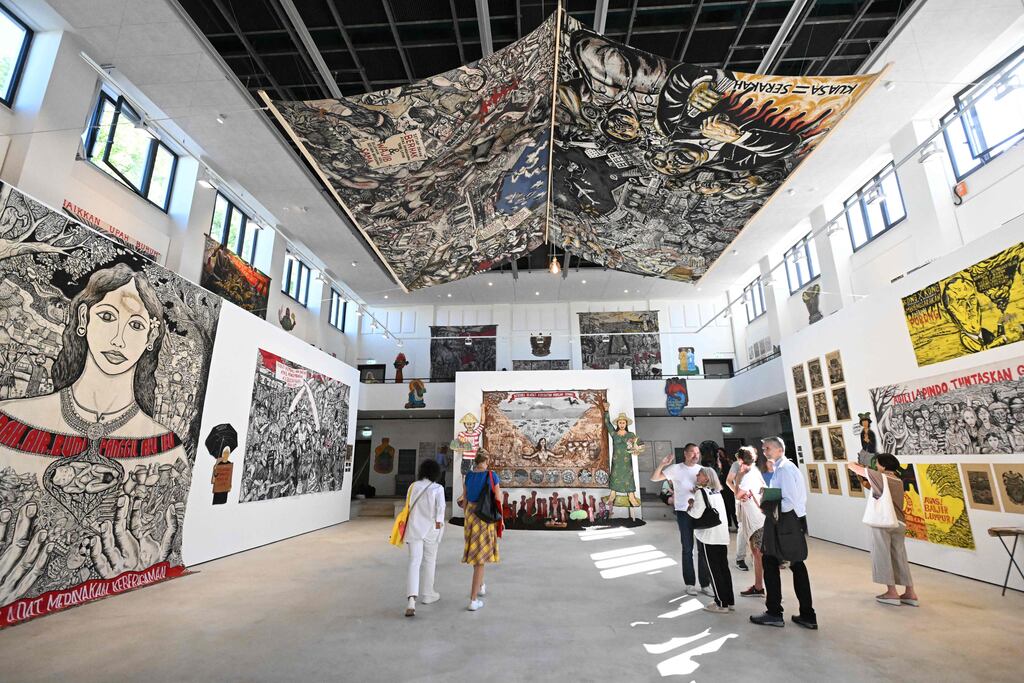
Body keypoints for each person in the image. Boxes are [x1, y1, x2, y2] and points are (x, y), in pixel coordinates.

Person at [750, 436, 817, 630]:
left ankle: (775, 613)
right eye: (763, 449)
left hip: (785, 522)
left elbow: (790, 502)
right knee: (788, 564)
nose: (765, 452)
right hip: (783, 522)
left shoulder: (786, 469)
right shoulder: (781, 469)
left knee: (777, 563)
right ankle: (805, 614)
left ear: (780, 450)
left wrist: (769, 506)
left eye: (768, 448)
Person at [849, 455, 920, 607]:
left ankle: (891, 592)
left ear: (881, 465)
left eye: (877, 463)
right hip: (899, 523)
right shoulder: (898, 480)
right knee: (900, 556)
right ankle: (910, 592)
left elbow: (852, 467)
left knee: (882, 555)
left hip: (883, 522)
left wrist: (855, 464)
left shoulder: (881, 477)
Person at [653, 444, 711, 596]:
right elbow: (655, 478)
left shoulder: (701, 470)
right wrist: (663, 464)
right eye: (692, 452)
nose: (695, 455)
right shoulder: (676, 469)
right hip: (683, 512)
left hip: (700, 511)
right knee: (687, 548)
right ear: (685, 454)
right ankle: (690, 583)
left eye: (697, 453)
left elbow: (710, 488)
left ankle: (705, 584)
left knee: (702, 549)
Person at [458, 452, 501, 611]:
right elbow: (498, 499)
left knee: (476, 554)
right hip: (484, 518)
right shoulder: (492, 475)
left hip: (470, 517)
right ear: (487, 460)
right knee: (480, 561)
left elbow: (465, 498)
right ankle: (473, 600)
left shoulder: (468, 476)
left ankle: (481, 585)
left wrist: (468, 517)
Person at [688, 466, 734, 613]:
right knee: (723, 569)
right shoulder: (717, 492)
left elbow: (696, 514)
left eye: (700, 474)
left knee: (714, 571)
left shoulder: (701, 493)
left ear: (707, 478)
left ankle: (721, 603)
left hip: (709, 537)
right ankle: (729, 600)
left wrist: (690, 506)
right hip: (721, 535)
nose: (697, 475)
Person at [404, 459, 446, 617]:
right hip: (431, 530)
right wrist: (439, 527)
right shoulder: (438, 488)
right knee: (430, 561)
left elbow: (407, 507)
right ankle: (428, 594)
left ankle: (411, 601)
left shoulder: (413, 486)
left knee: (414, 562)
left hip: (414, 529)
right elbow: (440, 510)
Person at [734, 447, 767, 598]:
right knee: (756, 553)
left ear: (741, 460)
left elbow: (737, 494)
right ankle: (758, 585)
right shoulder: (755, 472)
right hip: (758, 517)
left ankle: (761, 587)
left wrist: (738, 476)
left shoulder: (747, 475)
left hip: (756, 520)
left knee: (758, 554)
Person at [725, 455, 748, 571]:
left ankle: (757, 557)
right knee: (742, 528)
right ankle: (740, 558)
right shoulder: (736, 465)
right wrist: (738, 492)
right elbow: (728, 481)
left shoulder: (754, 467)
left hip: (753, 500)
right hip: (741, 500)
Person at [716, 448, 738, 531]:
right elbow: (718, 471)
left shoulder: (729, 461)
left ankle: (737, 525)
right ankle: (728, 525)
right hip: (722, 487)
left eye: (720, 453)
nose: (719, 454)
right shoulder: (717, 462)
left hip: (729, 486)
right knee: (724, 507)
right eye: (718, 453)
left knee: (732, 506)